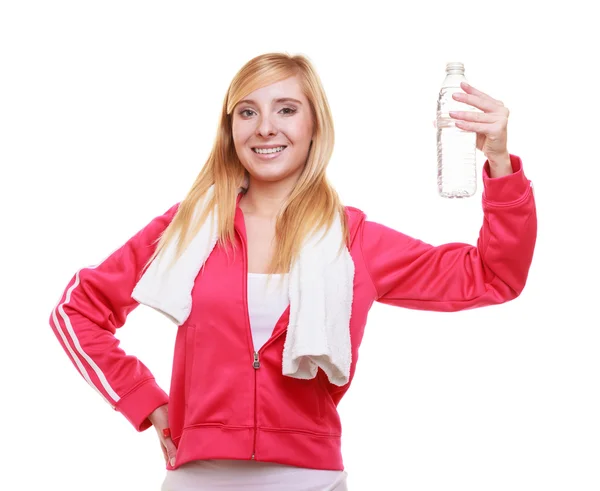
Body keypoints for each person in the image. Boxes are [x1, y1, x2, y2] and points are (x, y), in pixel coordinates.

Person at [48, 52, 537, 491]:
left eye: (286, 109)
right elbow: (77, 312)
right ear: (231, 129)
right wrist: (145, 401)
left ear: (314, 127)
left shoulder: (353, 239)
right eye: (248, 111)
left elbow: (493, 275)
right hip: (197, 479)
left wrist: (498, 159)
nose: (265, 127)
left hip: (311, 480)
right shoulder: (186, 230)